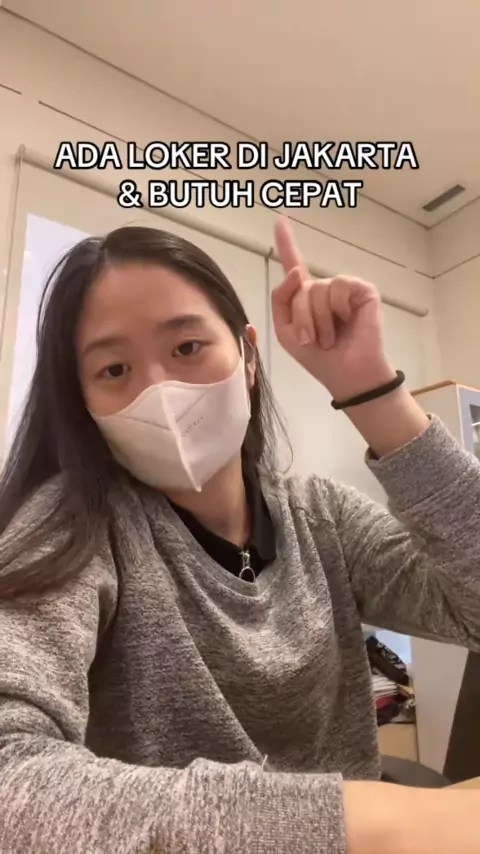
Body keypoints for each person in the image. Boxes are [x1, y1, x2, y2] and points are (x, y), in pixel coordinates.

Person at [0, 218, 479, 854]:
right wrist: (362, 821)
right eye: (114, 369)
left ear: (248, 356)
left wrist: (369, 389)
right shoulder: (72, 529)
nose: (160, 391)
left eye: (187, 347)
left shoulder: (321, 515)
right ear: (83, 402)